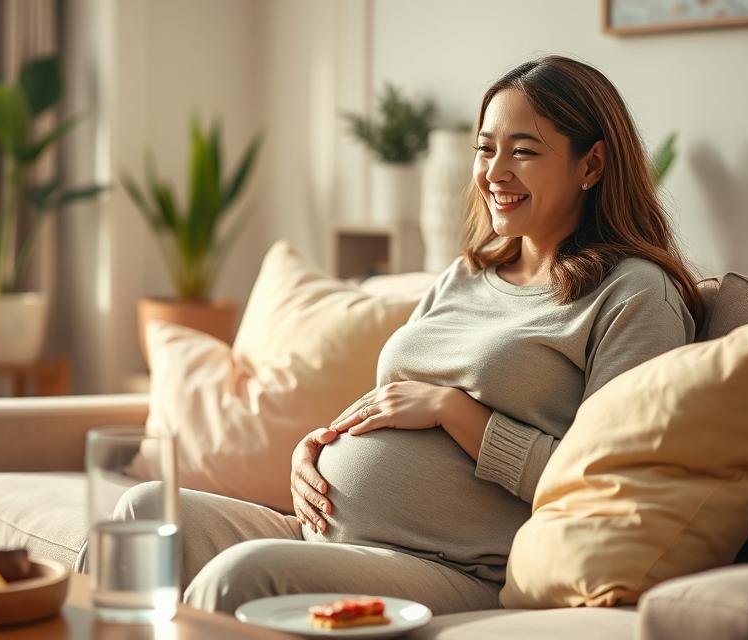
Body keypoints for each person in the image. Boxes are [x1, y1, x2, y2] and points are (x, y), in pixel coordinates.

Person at [114, 54, 704, 615]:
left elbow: (608, 486)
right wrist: (315, 448)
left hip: (465, 570)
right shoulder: (467, 274)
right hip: (333, 534)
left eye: (523, 152)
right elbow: (394, 400)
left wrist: (457, 412)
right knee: (143, 510)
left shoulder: (633, 294)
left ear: (592, 165)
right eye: (485, 149)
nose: (494, 173)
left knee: (241, 577)